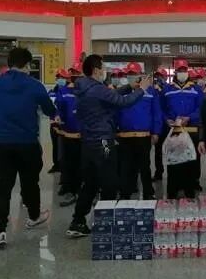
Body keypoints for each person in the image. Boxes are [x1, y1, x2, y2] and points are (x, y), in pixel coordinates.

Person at [66, 54, 151, 238]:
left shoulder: (84, 87)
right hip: (102, 140)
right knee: (109, 182)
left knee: (90, 182)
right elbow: (123, 102)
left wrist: (130, 87)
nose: (105, 71)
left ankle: (78, 221)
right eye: (103, 68)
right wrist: (142, 90)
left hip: (88, 141)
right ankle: (105, 223)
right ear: (97, 70)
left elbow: (110, 95)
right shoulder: (97, 89)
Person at [0, 47, 56, 249]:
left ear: (9, 63)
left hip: (1, 144)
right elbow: (49, 109)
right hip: (27, 144)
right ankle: (33, 217)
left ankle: (0, 230)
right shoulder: (34, 85)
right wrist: (56, 115)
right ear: (27, 65)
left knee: (1, 187)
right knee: (30, 182)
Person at [116, 62, 162, 200]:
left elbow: (156, 113)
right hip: (124, 136)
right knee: (126, 167)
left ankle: (148, 193)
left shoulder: (150, 91)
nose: (131, 76)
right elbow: (113, 112)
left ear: (140, 75)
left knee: (145, 166)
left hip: (143, 136)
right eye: (129, 74)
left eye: (134, 74)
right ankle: (125, 194)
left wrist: (156, 132)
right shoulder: (121, 92)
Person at [162, 58, 204, 199]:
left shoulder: (196, 89)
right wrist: (166, 119)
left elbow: (201, 108)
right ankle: (173, 190)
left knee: (191, 161)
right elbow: (161, 108)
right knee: (173, 161)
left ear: (187, 71)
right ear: (175, 71)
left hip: (191, 131)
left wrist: (190, 118)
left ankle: (189, 190)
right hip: (174, 131)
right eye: (179, 70)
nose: (182, 72)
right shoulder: (167, 89)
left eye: (184, 70)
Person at [55, 68, 81, 207]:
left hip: (86, 136)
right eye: (73, 75)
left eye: (78, 74)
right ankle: (70, 190)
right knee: (69, 164)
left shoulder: (87, 91)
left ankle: (85, 191)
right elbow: (58, 109)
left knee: (85, 165)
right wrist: (57, 117)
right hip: (68, 135)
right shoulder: (63, 91)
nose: (76, 77)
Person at [47, 69, 69, 174]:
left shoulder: (68, 92)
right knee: (55, 146)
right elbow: (48, 107)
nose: (60, 79)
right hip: (54, 124)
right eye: (59, 77)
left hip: (66, 124)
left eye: (63, 77)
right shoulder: (51, 93)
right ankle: (56, 165)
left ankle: (65, 166)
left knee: (65, 146)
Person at [153, 67, 169, 182]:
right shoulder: (153, 90)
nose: (159, 78)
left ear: (166, 77)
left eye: (161, 76)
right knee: (158, 151)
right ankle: (159, 172)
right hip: (158, 126)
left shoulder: (169, 89)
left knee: (173, 149)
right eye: (157, 76)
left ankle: (173, 173)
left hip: (168, 124)